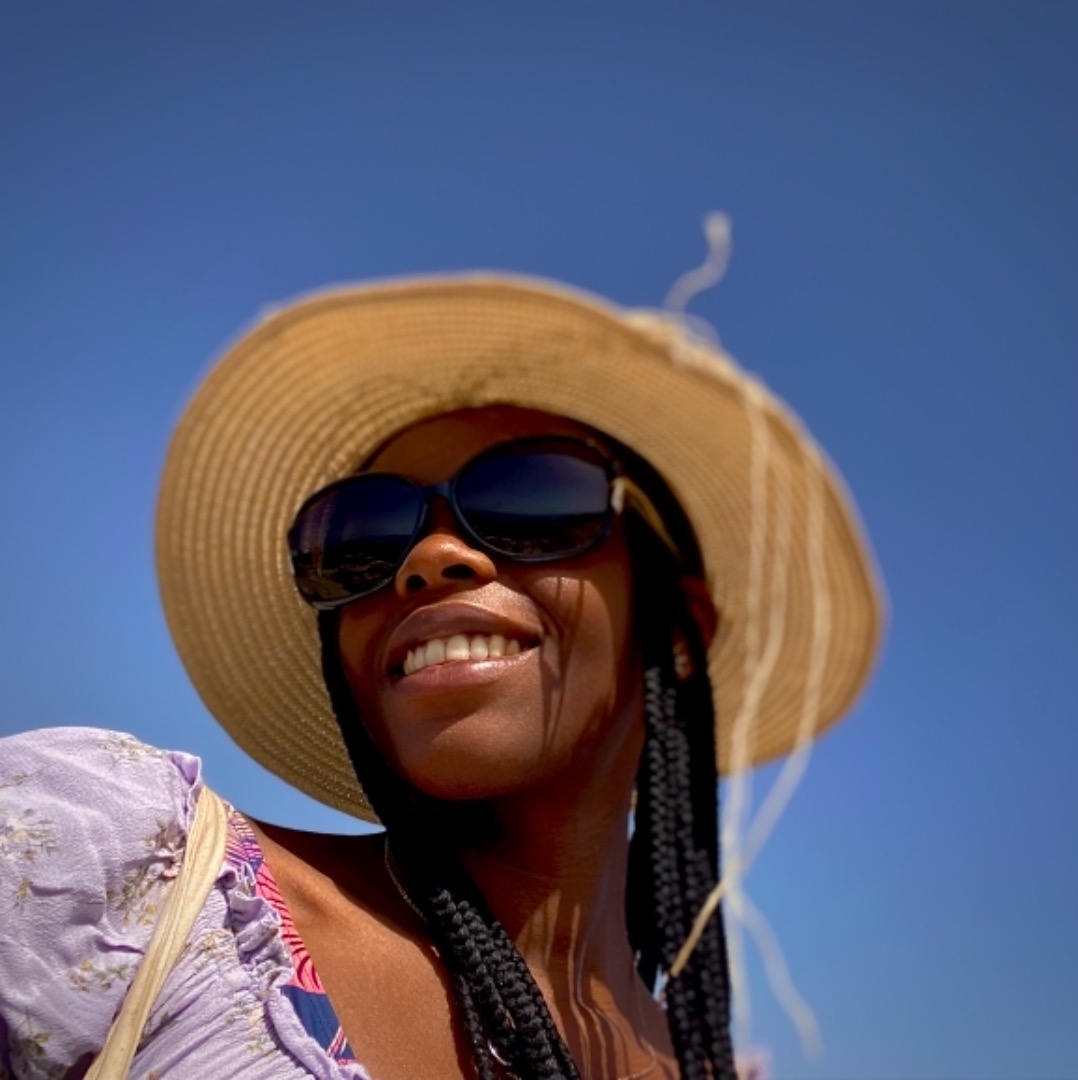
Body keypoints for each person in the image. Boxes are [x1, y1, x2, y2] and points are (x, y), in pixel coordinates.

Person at [0, 273, 883, 1079]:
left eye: (534, 500)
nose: (431, 558)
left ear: (679, 630)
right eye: (363, 537)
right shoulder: (110, 879)